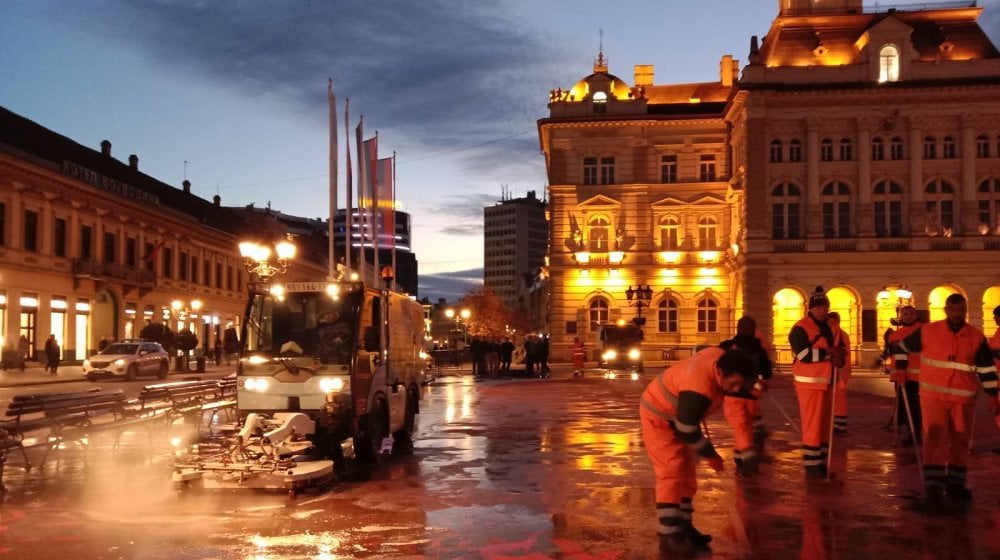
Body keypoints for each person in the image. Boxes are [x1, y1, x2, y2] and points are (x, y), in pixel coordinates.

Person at [639, 346, 757, 556]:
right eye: (734, 384)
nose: (737, 389)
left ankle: (684, 526)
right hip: (658, 415)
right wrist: (710, 454)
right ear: (721, 372)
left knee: (687, 472)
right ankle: (668, 535)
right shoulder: (700, 388)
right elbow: (686, 427)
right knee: (671, 471)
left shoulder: (720, 359)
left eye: (742, 385)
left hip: (679, 415)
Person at [892, 293, 998, 509]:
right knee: (935, 441)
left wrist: (993, 395)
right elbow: (900, 348)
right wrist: (901, 369)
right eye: (952, 310)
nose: (956, 314)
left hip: (963, 399)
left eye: (960, 310)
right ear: (946, 310)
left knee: (960, 442)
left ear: (966, 310)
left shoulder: (976, 337)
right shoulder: (929, 331)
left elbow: (986, 369)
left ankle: (956, 485)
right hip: (934, 398)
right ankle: (933, 489)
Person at [788, 286, 846, 479]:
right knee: (813, 425)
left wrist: (840, 358)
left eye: (825, 307)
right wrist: (829, 354)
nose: (822, 310)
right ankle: (812, 465)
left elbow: (840, 350)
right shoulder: (800, 328)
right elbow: (804, 355)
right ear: (811, 308)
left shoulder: (830, 328)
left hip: (828, 382)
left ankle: (821, 459)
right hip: (809, 384)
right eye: (818, 307)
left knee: (824, 426)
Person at [720, 316, 773, 476]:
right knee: (745, 426)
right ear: (754, 331)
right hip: (752, 395)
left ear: (738, 329)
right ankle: (741, 456)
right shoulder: (759, 350)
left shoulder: (727, 347)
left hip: (733, 393)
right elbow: (767, 372)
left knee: (740, 426)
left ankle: (747, 457)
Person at [888, 305, 923, 445]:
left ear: (916, 315)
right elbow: (891, 353)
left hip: (917, 375)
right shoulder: (895, 334)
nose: (908, 316)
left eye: (911, 313)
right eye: (906, 314)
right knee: (903, 404)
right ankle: (907, 429)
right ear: (901, 316)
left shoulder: (923, 330)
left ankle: (917, 431)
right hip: (900, 375)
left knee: (916, 405)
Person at [827, 312, 852, 436]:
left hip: (840, 371)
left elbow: (841, 352)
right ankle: (838, 423)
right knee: (837, 398)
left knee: (839, 399)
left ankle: (840, 425)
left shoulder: (838, 333)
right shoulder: (841, 333)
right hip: (840, 370)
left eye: (831, 320)